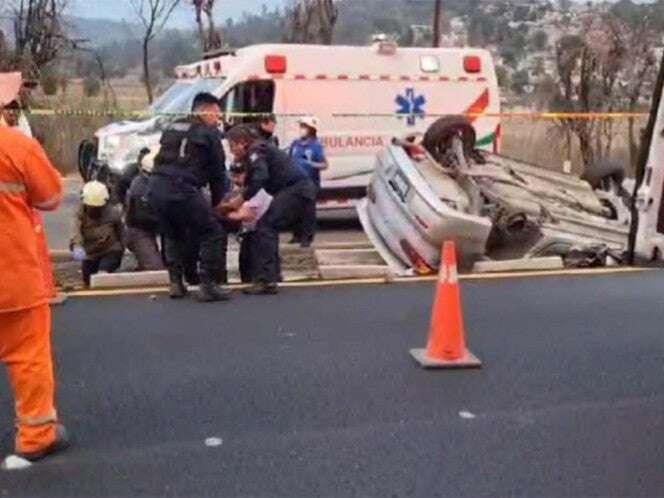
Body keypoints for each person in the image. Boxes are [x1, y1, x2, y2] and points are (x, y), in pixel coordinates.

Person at [0, 122, 70, 461]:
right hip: (11, 274)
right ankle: (36, 436)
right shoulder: (16, 145)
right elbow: (51, 196)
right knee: (28, 356)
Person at [149, 92, 231, 302]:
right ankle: (208, 284)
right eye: (216, 113)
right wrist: (217, 205)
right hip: (183, 187)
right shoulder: (209, 133)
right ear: (206, 110)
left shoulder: (173, 126)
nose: (217, 118)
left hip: (157, 186)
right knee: (212, 231)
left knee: (172, 233)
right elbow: (217, 173)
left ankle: (176, 282)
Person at [226, 124, 316, 295]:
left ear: (242, 142)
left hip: (294, 189)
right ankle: (272, 274)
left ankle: (266, 280)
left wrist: (241, 199)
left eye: (232, 146)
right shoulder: (259, 150)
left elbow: (260, 177)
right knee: (268, 227)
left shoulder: (256, 151)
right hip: (296, 189)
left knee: (265, 227)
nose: (232, 152)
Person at [70, 181, 124, 288]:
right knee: (88, 281)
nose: (94, 209)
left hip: (110, 250)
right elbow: (75, 231)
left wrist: (121, 248)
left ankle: (105, 271)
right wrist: (77, 245)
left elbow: (121, 232)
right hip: (90, 253)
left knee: (102, 276)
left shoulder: (113, 213)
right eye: (91, 207)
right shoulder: (80, 214)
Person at [288, 116, 328, 247]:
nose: (301, 129)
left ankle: (307, 237)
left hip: (310, 182)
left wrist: (311, 164)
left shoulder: (316, 146)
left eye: (304, 126)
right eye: (301, 126)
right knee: (295, 209)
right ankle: (296, 235)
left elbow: (324, 164)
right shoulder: (295, 144)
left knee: (307, 211)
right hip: (294, 181)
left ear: (311, 129)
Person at [124, 149, 165, 272]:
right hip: (140, 229)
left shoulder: (162, 184)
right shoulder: (140, 189)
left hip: (161, 227)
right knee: (155, 268)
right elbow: (143, 217)